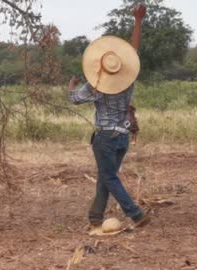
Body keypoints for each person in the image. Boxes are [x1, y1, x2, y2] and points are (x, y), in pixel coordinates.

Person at [68, 4, 150, 229]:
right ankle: (95, 216)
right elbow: (134, 52)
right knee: (106, 176)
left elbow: (74, 99)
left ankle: (135, 214)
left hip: (105, 137)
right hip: (123, 136)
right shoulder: (128, 80)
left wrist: (72, 85)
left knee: (109, 177)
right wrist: (138, 21)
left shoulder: (95, 85)